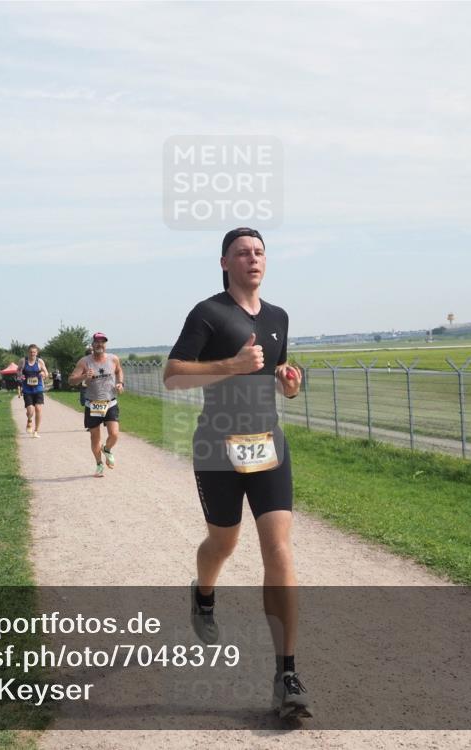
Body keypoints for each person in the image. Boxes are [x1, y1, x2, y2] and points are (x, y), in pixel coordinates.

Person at [163, 227, 309, 719]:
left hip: (268, 444)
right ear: (224, 263)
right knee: (223, 544)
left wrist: (290, 384)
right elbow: (174, 375)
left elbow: (278, 374)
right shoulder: (208, 313)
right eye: (242, 252)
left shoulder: (278, 317)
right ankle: (203, 594)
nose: (253, 258)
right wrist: (233, 363)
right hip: (217, 447)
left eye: (260, 251)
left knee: (279, 548)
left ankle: (286, 673)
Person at [68, 333, 124, 477]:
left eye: (102, 342)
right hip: (93, 404)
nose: (100, 345)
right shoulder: (84, 362)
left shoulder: (113, 359)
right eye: (97, 342)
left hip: (110, 402)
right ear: (92, 345)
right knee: (95, 438)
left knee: (114, 434)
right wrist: (84, 376)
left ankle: (107, 449)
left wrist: (120, 383)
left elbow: (119, 371)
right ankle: (99, 464)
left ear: (105, 345)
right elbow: (71, 380)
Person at [20, 344, 50, 437]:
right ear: (28, 352)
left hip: (38, 388)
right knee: (30, 411)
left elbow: (47, 373)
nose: (32, 354)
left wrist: (43, 374)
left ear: (37, 353)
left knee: (38, 409)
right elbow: (18, 371)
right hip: (27, 389)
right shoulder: (23, 361)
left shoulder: (40, 361)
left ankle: (36, 430)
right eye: (31, 352)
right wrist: (20, 376)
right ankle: (29, 420)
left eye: (34, 352)